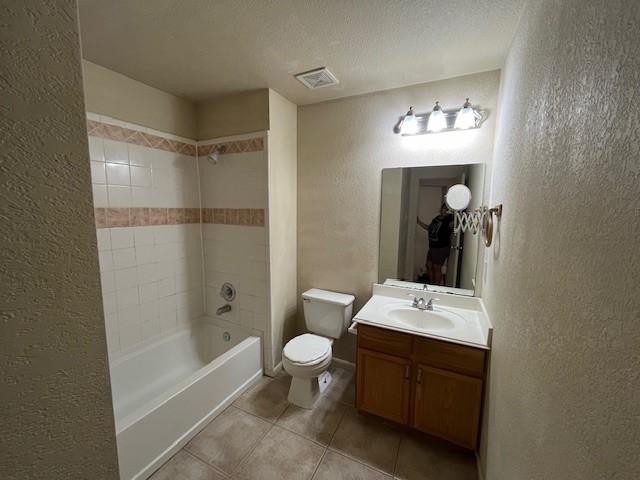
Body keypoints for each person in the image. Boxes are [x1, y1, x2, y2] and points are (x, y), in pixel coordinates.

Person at [417, 203, 454, 286]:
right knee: (428, 265)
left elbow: (453, 225)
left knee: (437, 267)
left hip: (441, 248)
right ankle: (431, 283)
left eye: (447, 209)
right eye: (443, 208)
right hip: (432, 247)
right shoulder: (436, 218)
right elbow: (429, 228)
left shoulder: (449, 219)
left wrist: (455, 216)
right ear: (441, 209)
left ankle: (436, 286)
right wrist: (419, 222)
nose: (444, 210)